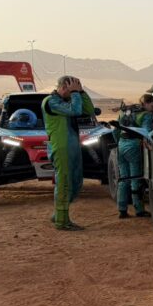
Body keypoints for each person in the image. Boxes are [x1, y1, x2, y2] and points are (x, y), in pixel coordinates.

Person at [41, 75, 95, 231]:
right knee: (64, 182)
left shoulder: (68, 100)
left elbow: (89, 110)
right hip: (61, 146)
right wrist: (76, 94)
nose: (74, 92)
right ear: (64, 87)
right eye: (72, 89)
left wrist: (81, 92)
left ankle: (58, 214)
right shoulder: (51, 101)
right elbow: (75, 111)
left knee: (76, 182)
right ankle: (62, 221)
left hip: (72, 145)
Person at [116, 93, 153, 219]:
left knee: (124, 179)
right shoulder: (147, 115)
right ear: (145, 103)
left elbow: (116, 130)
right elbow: (146, 132)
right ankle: (139, 210)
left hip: (121, 145)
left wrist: (119, 143)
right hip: (134, 147)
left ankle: (122, 210)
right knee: (136, 179)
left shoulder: (125, 111)